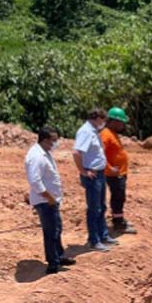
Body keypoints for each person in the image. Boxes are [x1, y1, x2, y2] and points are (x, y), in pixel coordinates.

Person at [25, 127, 75, 274]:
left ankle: (59, 256)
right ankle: (53, 264)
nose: (56, 143)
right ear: (45, 140)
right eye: (54, 140)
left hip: (50, 200)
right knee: (51, 232)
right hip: (45, 201)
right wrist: (49, 197)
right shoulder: (37, 156)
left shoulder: (44, 152)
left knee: (57, 229)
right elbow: (35, 181)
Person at [73, 108, 117, 251]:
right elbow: (76, 152)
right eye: (103, 120)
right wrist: (83, 171)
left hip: (99, 173)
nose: (103, 123)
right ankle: (94, 240)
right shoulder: (85, 131)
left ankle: (103, 235)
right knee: (94, 208)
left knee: (101, 206)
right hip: (92, 175)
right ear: (97, 118)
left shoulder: (92, 131)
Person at [100, 106, 136, 234]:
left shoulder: (112, 134)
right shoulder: (106, 134)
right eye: (121, 122)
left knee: (119, 197)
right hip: (113, 174)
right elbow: (100, 153)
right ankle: (118, 224)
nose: (123, 125)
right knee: (118, 197)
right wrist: (109, 168)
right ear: (114, 122)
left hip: (119, 173)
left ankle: (119, 220)